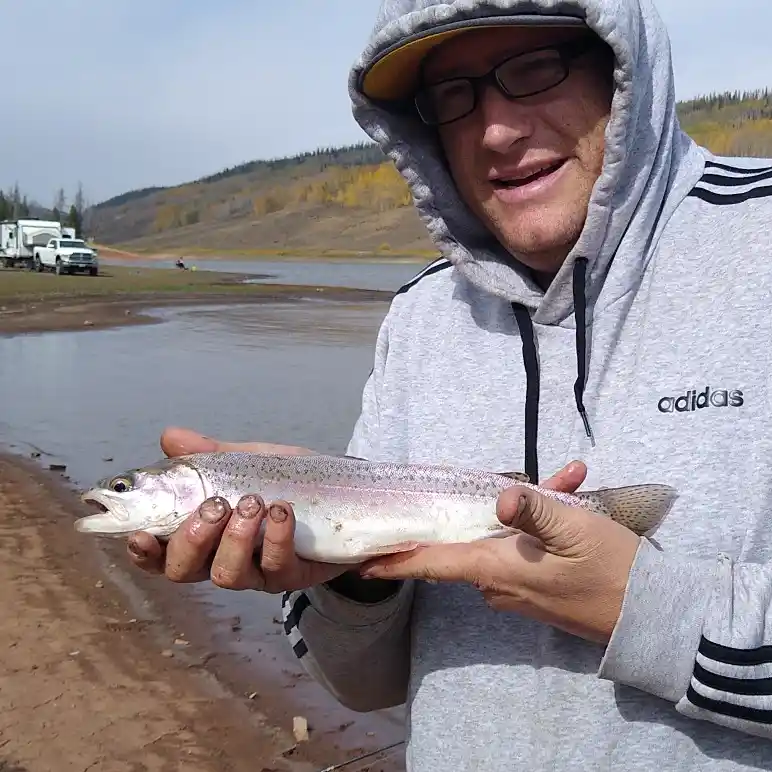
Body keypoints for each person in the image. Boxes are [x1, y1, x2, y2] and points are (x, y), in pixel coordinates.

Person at [126, 0, 772, 769]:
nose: (495, 130)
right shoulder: (421, 316)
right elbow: (364, 688)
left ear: (623, 71)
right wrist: (349, 580)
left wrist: (641, 607)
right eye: (453, 96)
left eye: (533, 70)